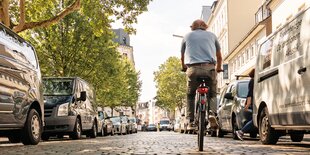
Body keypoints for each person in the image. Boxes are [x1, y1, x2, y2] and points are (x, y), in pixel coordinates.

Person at [180, 19, 222, 128]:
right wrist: (218, 68)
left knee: (190, 94)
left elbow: (182, 56)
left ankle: (190, 119)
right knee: (212, 93)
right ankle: (212, 113)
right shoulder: (212, 36)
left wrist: (184, 67)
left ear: (193, 27)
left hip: (193, 69)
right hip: (209, 69)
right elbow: (219, 56)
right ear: (205, 26)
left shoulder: (186, 36)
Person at [235, 69, 256, 141]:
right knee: (254, 120)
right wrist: (248, 104)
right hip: (253, 102)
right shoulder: (252, 81)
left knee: (254, 120)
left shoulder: (253, 81)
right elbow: (250, 93)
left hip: (254, 102)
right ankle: (241, 131)